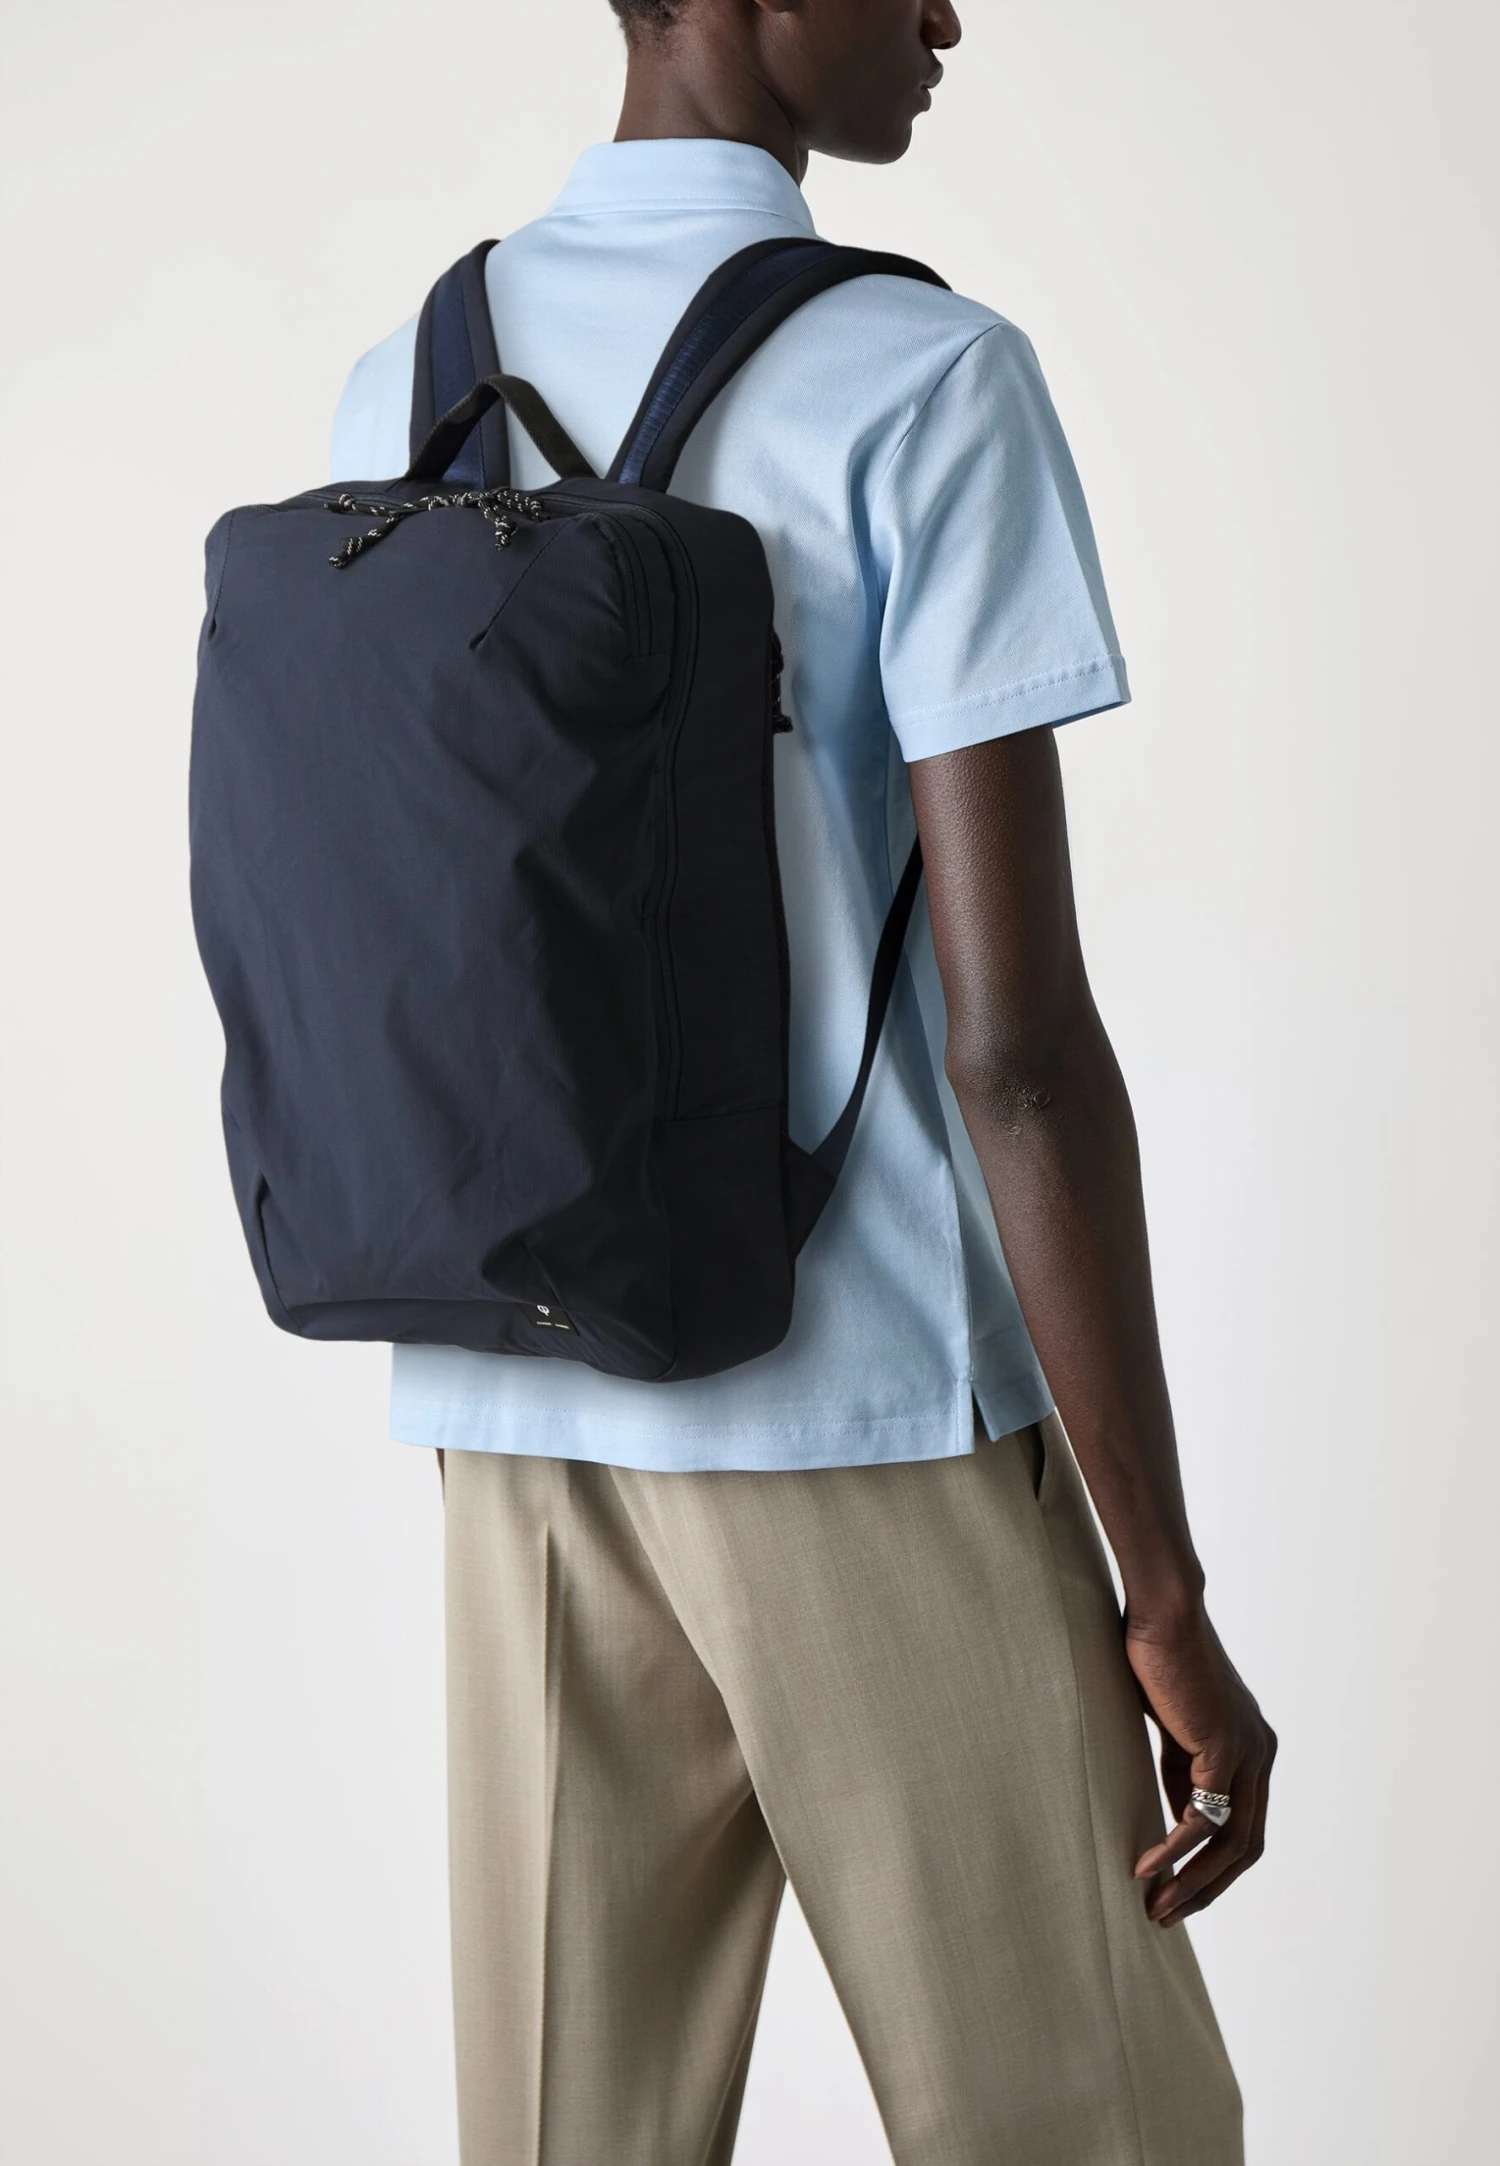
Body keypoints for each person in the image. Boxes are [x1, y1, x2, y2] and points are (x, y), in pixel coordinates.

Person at [331, 2, 1274, 2159]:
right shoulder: (927, 383)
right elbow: (1018, 1053)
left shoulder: (405, 378)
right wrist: (1163, 1590)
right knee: (1096, 2127)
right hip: (861, 1410)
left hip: (513, 1409)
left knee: (571, 2133)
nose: (946, 17)